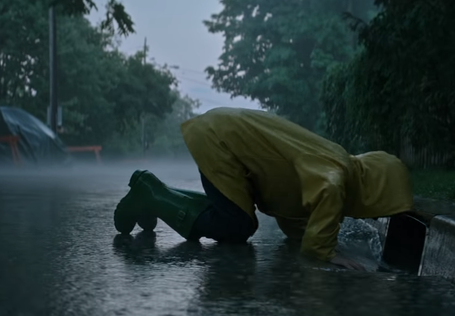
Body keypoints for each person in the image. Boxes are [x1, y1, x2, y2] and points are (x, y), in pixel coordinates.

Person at [113, 107, 414, 271]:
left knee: (231, 212)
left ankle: (155, 190)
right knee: (237, 225)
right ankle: (151, 196)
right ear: (377, 191)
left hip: (222, 137)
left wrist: (308, 236)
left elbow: (295, 208)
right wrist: (323, 250)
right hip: (222, 142)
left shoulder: (337, 162)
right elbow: (328, 190)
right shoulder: (337, 173)